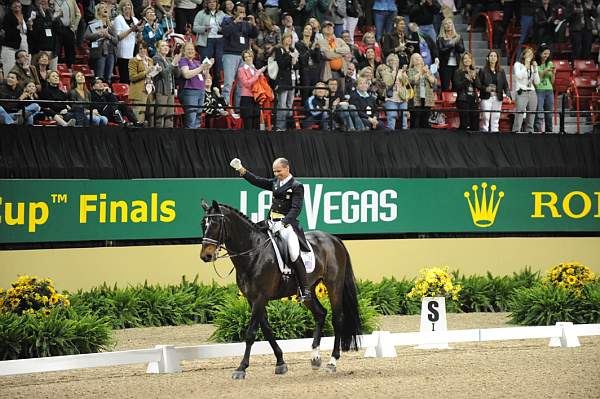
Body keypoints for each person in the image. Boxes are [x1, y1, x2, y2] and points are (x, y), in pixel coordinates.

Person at [229, 157, 312, 302]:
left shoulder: (297, 186)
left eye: (279, 171)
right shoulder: (275, 183)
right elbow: (257, 180)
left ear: (287, 168)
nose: (276, 174)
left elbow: (296, 209)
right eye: (274, 172)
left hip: (287, 225)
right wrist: (240, 169)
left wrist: (284, 223)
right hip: (271, 222)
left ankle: (304, 289)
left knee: (293, 253)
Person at [179, 42, 212, 128]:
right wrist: (201, 67)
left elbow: (205, 76)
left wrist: (207, 67)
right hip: (190, 91)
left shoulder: (197, 62)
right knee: (191, 117)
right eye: (188, 49)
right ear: (184, 51)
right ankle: (188, 138)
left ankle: (195, 137)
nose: (191, 51)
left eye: (192, 49)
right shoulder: (183, 61)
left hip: (201, 90)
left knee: (198, 117)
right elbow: (186, 74)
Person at [193, 0, 225, 85]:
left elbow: (229, 26)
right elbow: (195, 28)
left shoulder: (222, 14)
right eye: (210, 2)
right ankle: (204, 83)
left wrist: (223, 29)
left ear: (217, 4)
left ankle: (217, 85)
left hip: (220, 40)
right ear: (207, 4)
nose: (212, 3)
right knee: (206, 63)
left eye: (214, 2)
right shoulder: (201, 13)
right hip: (206, 41)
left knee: (219, 64)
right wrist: (204, 28)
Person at [478, 49, 511, 133]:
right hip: (486, 97)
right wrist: (486, 88)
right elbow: (478, 85)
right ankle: (485, 132)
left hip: (497, 97)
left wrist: (508, 95)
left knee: (496, 117)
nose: (493, 58)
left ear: (497, 58)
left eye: (495, 56)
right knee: (486, 117)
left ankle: (495, 133)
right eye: (491, 56)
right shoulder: (482, 71)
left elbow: (505, 85)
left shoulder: (501, 71)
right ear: (487, 58)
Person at [85, 2, 118, 83]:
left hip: (110, 53)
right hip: (99, 52)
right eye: (103, 8)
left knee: (108, 78)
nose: (105, 9)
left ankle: (107, 92)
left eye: (106, 8)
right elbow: (86, 36)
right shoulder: (93, 24)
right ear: (98, 11)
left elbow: (116, 41)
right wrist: (98, 34)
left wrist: (108, 36)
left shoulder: (111, 26)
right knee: (99, 77)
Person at [274, 31, 299, 131]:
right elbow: (281, 64)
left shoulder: (293, 50)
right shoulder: (279, 49)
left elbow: (297, 66)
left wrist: (295, 60)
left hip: (292, 79)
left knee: (289, 103)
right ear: (283, 39)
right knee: (282, 104)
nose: (289, 40)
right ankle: (280, 127)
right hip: (283, 79)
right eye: (287, 38)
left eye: (290, 38)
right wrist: (290, 57)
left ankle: (288, 126)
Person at [153, 40, 180, 128]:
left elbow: (177, 74)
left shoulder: (169, 59)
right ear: (158, 49)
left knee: (170, 115)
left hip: (171, 91)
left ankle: (168, 136)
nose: (166, 47)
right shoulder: (156, 58)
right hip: (161, 90)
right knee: (160, 114)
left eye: (167, 46)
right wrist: (172, 64)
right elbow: (164, 74)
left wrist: (175, 64)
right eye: (163, 46)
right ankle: (158, 136)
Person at [113, 0, 141, 84]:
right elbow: (119, 36)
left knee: (133, 77)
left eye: (129, 5)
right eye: (124, 5)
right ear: (121, 8)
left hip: (134, 51)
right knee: (125, 77)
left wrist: (139, 31)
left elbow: (139, 39)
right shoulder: (118, 19)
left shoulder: (135, 19)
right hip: (123, 52)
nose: (127, 7)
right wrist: (131, 30)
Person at [237, 49, 266, 129]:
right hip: (246, 98)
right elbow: (247, 83)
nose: (248, 58)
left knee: (256, 122)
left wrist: (261, 75)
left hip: (256, 97)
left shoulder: (255, 70)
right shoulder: (241, 70)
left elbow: (261, 83)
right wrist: (257, 74)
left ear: (252, 57)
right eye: (245, 57)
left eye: (249, 56)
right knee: (248, 123)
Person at [512, 47, 540, 133]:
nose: (530, 56)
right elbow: (519, 76)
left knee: (531, 114)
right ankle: (516, 131)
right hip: (522, 92)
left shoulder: (532, 67)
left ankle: (529, 132)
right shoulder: (517, 64)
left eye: (531, 54)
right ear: (523, 55)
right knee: (519, 114)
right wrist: (526, 66)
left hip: (532, 91)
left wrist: (535, 70)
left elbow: (537, 81)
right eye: (528, 53)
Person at [453, 52, 480, 131]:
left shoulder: (474, 71)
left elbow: (478, 86)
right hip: (463, 100)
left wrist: (474, 78)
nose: (467, 60)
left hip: (473, 100)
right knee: (464, 124)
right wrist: (466, 79)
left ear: (471, 60)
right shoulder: (458, 72)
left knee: (475, 124)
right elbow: (456, 86)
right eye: (465, 58)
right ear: (462, 61)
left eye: (469, 58)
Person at [407, 52, 435, 128]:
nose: (418, 59)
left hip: (427, 98)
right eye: (415, 58)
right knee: (415, 120)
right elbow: (411, 81)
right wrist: (421, 73)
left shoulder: (427, 69)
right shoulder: (410, 70)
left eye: (419, 57)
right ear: (412, 61)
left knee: (425, 120)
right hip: (416, 97)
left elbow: (434, 81)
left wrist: (427, 74)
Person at [437, 17, 464, 92]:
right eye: (446, 24)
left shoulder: (458, 37)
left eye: (450, 23)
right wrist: (451, 44)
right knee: (445, 86)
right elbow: (441, 51)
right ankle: (445, 103)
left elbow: (462, 50)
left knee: (456, 85)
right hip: (445, 65)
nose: (448, 25)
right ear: (443, 27)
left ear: (453, 25)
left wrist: (456, 43)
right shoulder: (440, 38)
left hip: (456, 65)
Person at [534, 46, 554, 133]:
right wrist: (546, 70)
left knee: (549, 113)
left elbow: (552, 81)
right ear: (540, 53)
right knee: (539, 113)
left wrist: (553, 74)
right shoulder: (535, 63)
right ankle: (538, 131)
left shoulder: (550, 63)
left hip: (549, 90)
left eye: (548, 54)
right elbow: (539, 77)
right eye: (545, 53)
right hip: (539, 90)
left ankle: (549, 132)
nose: (547, 55)